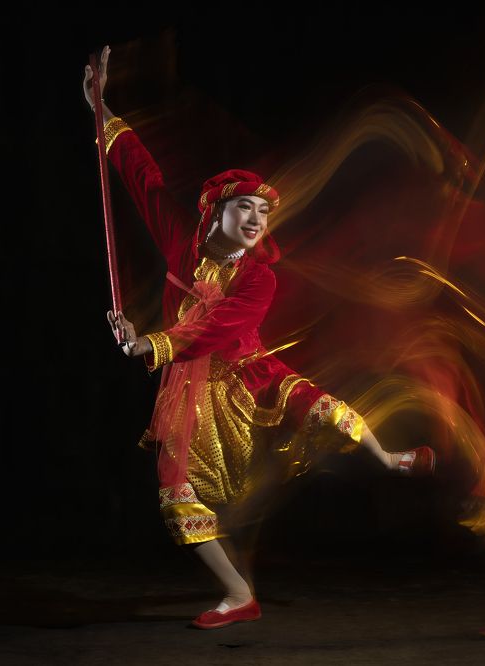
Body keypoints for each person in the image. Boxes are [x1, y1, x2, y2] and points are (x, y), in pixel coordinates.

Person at [83, 45, 436, 630]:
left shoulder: (258, 278)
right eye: (244, 207)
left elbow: (216, 327)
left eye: (263, 213)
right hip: (188, 392)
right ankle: (238, 594)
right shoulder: (181, 242)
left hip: (249, 376)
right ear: (214, 211)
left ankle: (389, 457)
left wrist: (150, 343)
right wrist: (102, 111)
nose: (255, 220)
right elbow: (142, 178)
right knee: (175, 495)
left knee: (322, 409)